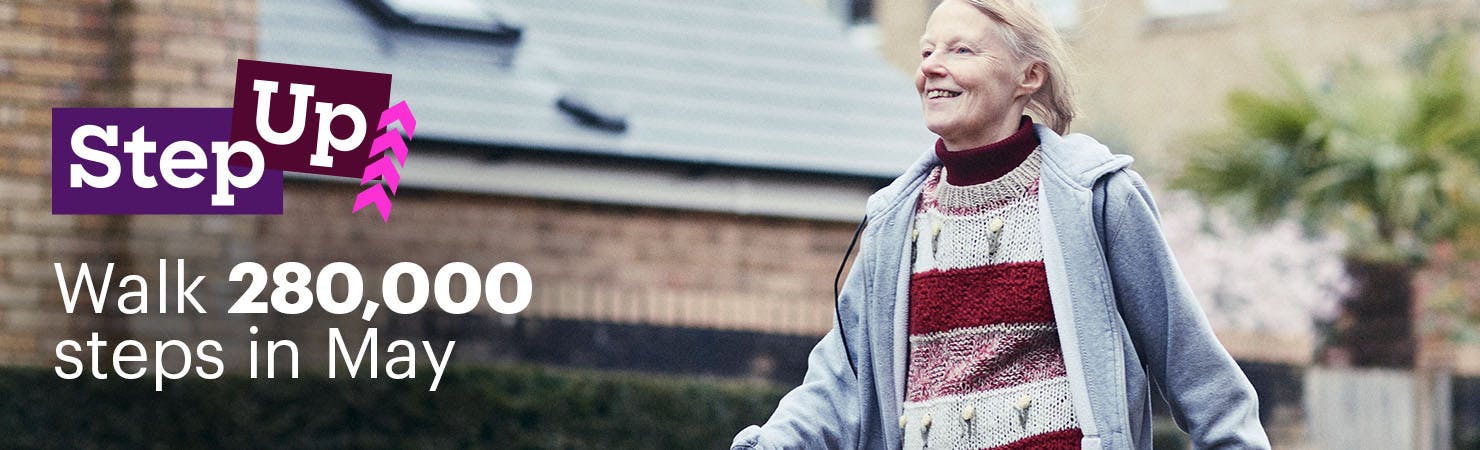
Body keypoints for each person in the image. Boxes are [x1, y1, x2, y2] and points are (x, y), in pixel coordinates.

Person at [731, 0, 1270, 448]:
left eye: (961, 49)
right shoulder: (897, 222)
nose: (931, 66)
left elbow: (1200, 378)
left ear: (1028, 77)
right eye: (926, 51)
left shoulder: (1095, 198)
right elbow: (837, 384)